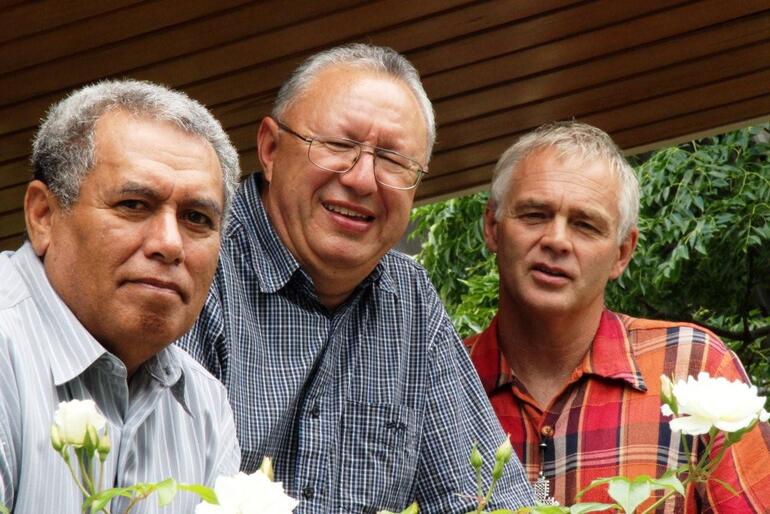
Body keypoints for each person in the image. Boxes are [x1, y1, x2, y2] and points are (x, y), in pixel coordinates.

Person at [178, 43, 535, 513]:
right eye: (339, 145)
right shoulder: (193, 259)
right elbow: (162, 495)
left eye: (393, 160)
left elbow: (488, 504)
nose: (363, 179)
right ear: (269, 148)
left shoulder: (410, 301)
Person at [466, 120, 770, 511]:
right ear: (492, 227)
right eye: (535, 214)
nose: (556, 240)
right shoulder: (441, 381)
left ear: (623, 253)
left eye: (585, 225)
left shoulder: (692, 368)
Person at [0, 80, 242, 513]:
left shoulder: (204, 406)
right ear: (43, 216)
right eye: (134, 204)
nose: (169, 244)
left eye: (196, 218)